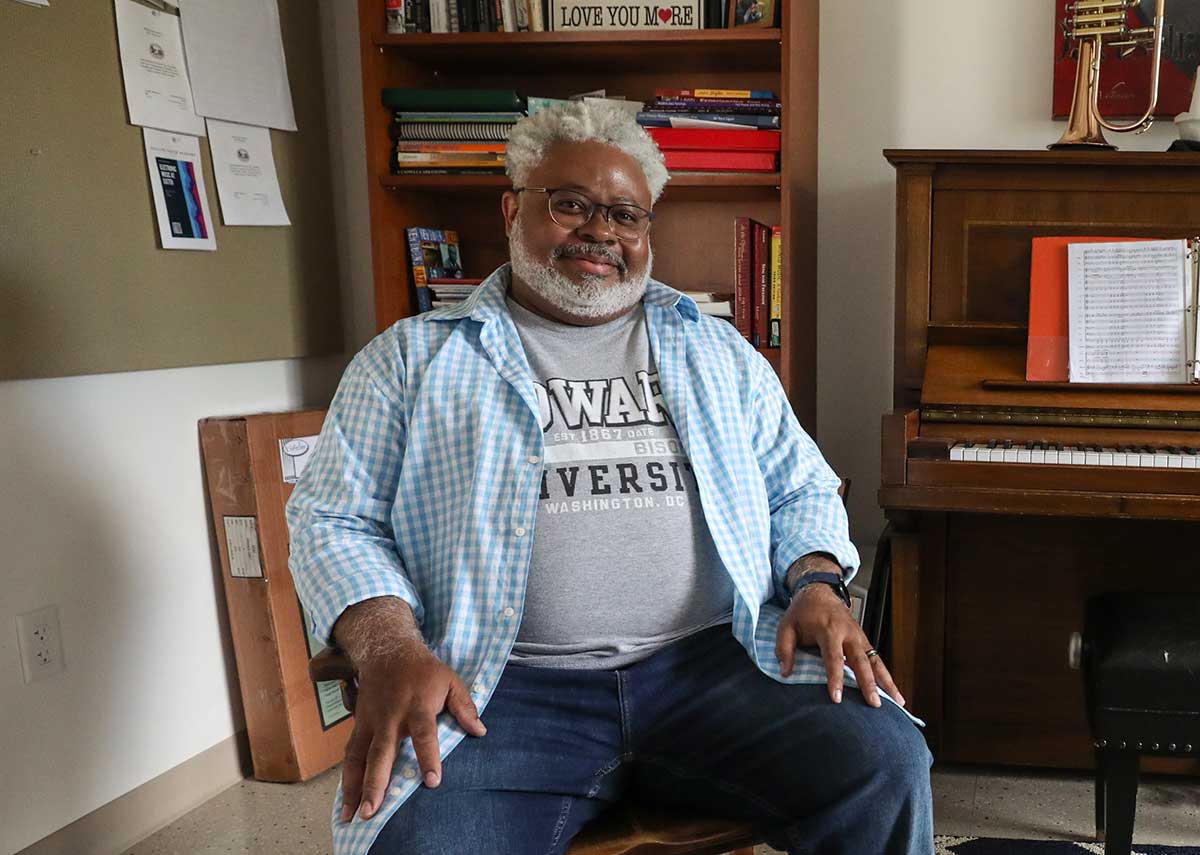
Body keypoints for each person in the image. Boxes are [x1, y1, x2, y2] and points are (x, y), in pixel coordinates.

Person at [286, 101, 933, 855]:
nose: (601, 230)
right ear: (512, 207)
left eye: (626, 214)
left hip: (717, 667)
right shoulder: (410, 360)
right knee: (421, 841)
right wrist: (389, 644)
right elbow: (334, 519)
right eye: (570, 205)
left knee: (884, 762)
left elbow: (801, 487)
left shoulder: (718, 352)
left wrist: (817, 585)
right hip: (499, 687)